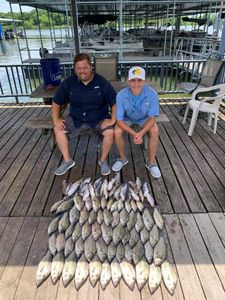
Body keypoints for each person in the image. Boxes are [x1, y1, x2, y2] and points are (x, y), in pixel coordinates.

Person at [52, 53, 116, 176]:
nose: (82, 71)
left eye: (85, 67)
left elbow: (114, 102)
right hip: (76, 118)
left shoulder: (102, 82)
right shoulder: (69, 82)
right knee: (57, 129)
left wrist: (112, 120)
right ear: (75, 69)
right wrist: (56, 119)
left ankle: (103, 161)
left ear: (91, 67)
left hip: (99, 118)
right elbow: (56, 102)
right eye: (79, 68)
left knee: (110, 132)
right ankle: (67, 160)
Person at [112, 66, 161, 179]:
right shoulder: (121, 95)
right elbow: (119, 119)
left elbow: (153, 117)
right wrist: (134, 133)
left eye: (139, 80)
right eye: (133, 80)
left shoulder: (152, 94)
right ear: (128, 81)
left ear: (144, 81)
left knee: (154, 130)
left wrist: (142, 133)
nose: (136, 84)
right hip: (127, 118)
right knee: (117, 131)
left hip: (144, 118)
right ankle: (122, 158)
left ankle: (151, 162)